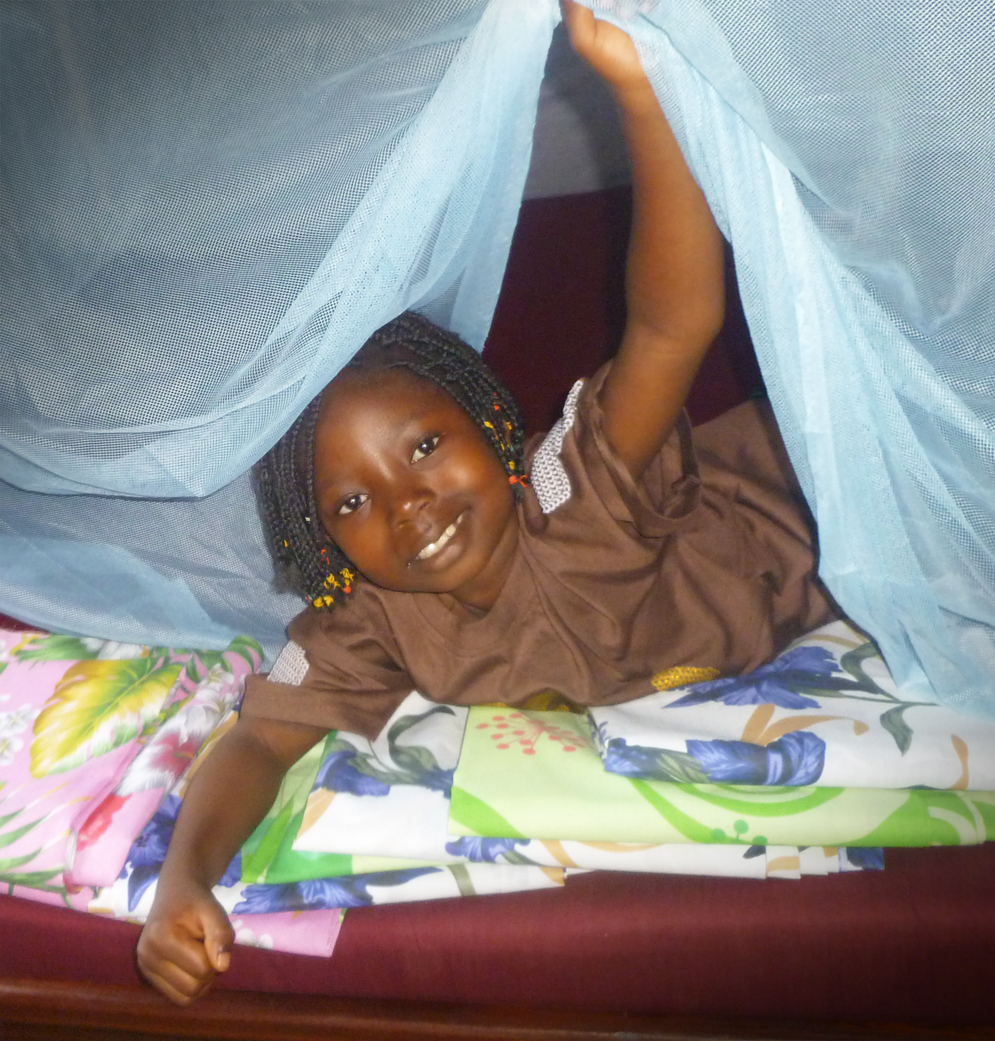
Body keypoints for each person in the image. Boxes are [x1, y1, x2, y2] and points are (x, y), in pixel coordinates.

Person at [136, 2, 832, 1005]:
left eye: (426, 446)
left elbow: (671, 326)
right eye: (352, 500)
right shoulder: (371, 615)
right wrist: (184, 876)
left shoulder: (572, 492)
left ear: (495, 427)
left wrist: (641, 96)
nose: (409, 505)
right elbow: (260, 737)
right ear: (321, 539)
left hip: (807, 491)